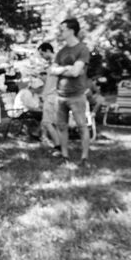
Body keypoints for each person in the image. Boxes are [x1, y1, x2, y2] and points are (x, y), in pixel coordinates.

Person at [49, 18, 91, 168]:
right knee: (61, 126)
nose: (60, 32)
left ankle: (84, 158)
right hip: (60, 95)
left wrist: (62, 70)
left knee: (81, 126)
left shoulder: (82, 49)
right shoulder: (61, 51)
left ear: (71, 31)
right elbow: (52, 71)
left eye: (62, 29)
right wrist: (67, 68)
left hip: (77, 95)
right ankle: (65, 156)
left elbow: (76, 72)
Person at [37, 42, 62, 156]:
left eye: (42, 54)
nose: (42, 57)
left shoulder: (58, 62)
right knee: (50, 123)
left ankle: (59, 147)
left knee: (48, 122)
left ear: (47, 50)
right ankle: (59, 146)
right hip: (51, 96)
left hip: (54, 97)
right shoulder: (52, 64)